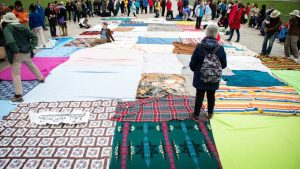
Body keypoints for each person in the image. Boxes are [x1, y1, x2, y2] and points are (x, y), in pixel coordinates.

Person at [2, 12, 45, 102]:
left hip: (17, 53)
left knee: (16, 74)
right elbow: (34, 36)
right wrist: (31, 46)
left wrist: (16, 50)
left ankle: (18, 95)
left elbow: (10, 41)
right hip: (26, 51)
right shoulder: (22, 26)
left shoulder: (7, 28)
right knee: (30, 64)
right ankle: (41, 78)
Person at [189, 24, 227, 120]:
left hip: (200, 77)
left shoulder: (199, 47)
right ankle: (210, 114)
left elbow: (192, 63)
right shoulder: (220, 48)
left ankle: (196, 115)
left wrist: (196, 70)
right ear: (216, 34)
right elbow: (224, 65)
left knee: (199, 96)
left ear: (206, 32)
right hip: (214, 78)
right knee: (211, 96)